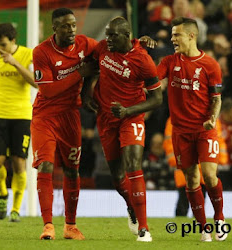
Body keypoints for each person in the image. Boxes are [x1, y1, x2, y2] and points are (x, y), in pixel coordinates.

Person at [84, 16, 163, 242]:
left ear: (126, 36)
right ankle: (131, 206)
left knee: (132, 165)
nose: (107, 39)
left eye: (113, 35)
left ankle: (144, 229)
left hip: (131, 117)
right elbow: (88, 69)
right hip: (106, 118)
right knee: (117, 176)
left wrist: (129, 111)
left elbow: (157, 98)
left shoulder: (143, 60)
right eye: (107, 34)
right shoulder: (103, 49)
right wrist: (85, 95)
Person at [157, 17, 227, 242]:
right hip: (181, 132)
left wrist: (212, 119)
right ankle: (203, 227)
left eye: (176, 34)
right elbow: (151, 78)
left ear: (191, 35)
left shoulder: (210, 65)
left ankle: (219, 218)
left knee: (209, 175)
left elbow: (216, 98)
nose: (172, 38)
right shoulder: (169, 62)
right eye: (171, 34)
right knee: (191, 180)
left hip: (205, 129)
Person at [32, 8, 98, 240]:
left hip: (71, 116)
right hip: (45, 117)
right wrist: (79, 73)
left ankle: (70, 226)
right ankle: (48, 225)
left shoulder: (84, 44)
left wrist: (135, 43)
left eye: (72, 25)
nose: (71, 30)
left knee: (72, 169)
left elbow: (106, 50)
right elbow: (48, 91)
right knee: (46, 166)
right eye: (65, 26)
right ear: (54, 28)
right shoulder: (41, 51)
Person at [0, 23, 36, 222]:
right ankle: (3, 194)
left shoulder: (28, 54)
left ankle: (16, 209)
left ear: (13, 41)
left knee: (19, 163)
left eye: (3, 44)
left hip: (21, 116)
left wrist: (15, 63)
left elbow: (36, 82)